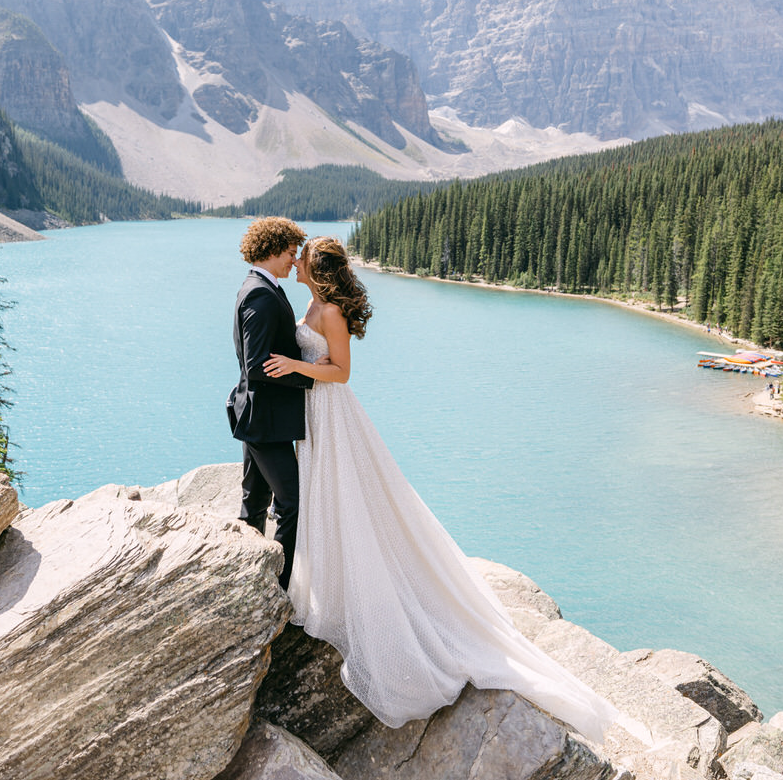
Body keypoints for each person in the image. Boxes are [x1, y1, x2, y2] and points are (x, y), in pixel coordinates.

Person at [261, 236, 647, 747]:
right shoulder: (309, 301)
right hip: (314, 415)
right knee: (323, 500)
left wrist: (295, 367)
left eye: (303, 258)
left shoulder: (328, 310)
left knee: (347, 498)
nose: (296, 261)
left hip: (332, 413)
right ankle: (326, 584)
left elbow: (342, 371)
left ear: (318, 269)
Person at [228, 217, 314, 589]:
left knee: (255, 502)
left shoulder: (262, 287)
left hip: (259, 415)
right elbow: (257, 363)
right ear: (273, 250)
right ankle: (277, 587)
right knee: (294, 504)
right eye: (291, 254)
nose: (294, 261)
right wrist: (310, 377)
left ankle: (248, 579)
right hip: (267, 420)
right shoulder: (261, 293)